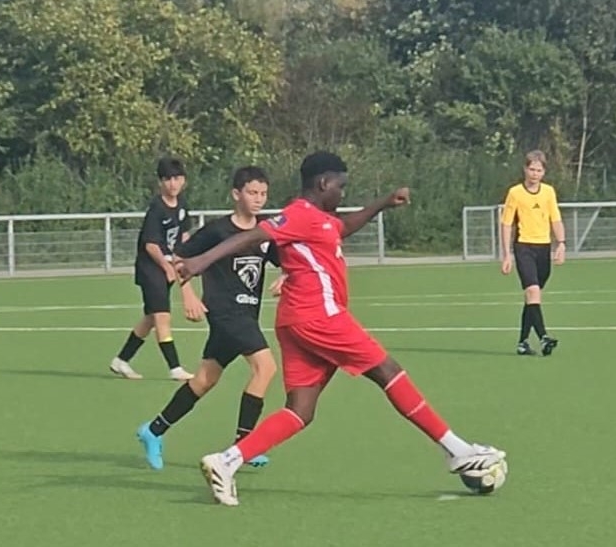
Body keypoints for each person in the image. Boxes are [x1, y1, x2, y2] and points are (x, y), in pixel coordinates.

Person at [176, 151, 506, 506]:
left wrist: (382, 203)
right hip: (319, 315)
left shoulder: (321, 220)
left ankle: (226, 462)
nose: (343, 192)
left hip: (297, 320)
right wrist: (200, 261)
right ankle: (457, 450)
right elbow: (255, 235)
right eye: (341, 185)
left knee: (301, 410)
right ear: (323, 183)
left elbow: (343, 227)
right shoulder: (299, 214)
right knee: (388, 371)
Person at [135, 166, 283, 470]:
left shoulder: (264, 231)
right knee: (266, 367)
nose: (258, 199)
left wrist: (288, 275)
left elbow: (286, 260)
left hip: (247, 314)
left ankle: (154, 430)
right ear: (236, 194)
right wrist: (188, 294)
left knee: (205, 380)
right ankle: (244, 445)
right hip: (225, 313)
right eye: (252, 193)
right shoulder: (217, 231)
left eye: (263, 194)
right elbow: (179, 258)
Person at [109, 157, 201, 381]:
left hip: (167, 265)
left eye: (177, 178)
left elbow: (184, 235)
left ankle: (121, 360)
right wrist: (166, 266)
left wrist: (183, 259)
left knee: (150, 318)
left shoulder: (182, 205)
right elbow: (150, 245)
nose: (173, 184)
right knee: (162, 318)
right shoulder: (156, 209)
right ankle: (175, 368)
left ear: (184, 181)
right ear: (160, 182)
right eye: (167, 179)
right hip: (151, 268)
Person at [500, 150, 566, 356]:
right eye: (531, 169)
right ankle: (544, 337)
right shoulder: (515, 193)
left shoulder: (548, 192)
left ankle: (523, 343)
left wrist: (561, 244)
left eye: (539, 170)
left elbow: (555, 218)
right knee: (533, 292)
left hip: (543, 248)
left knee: (532, 298)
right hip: (524, 247)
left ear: (543, 172)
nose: (535, 174)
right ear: (525, 169)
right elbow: (506, 224)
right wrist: (507, 254)